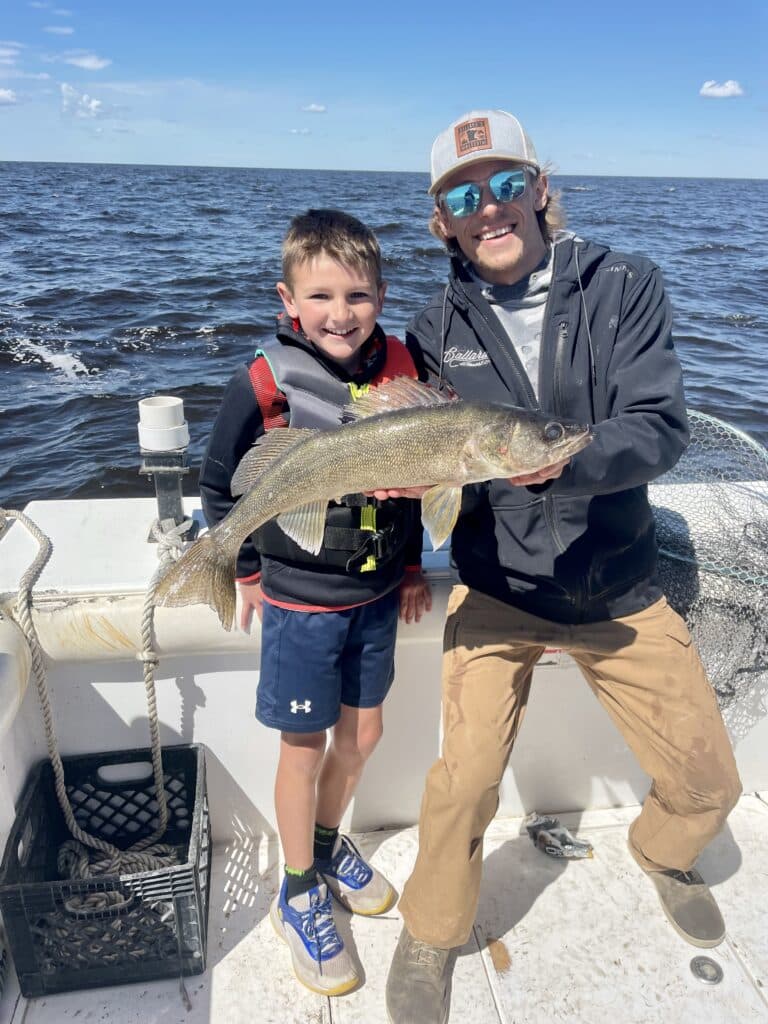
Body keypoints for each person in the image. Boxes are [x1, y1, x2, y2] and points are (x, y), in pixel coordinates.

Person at [378, 110, 742, 1024]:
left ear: (540, 190)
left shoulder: (623, 284)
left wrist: (567, 461)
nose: (488, 208)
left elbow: (660, 426)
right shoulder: (432, 324)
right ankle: (431, 930)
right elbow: (423, 454)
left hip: (616, 580)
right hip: (496, 585)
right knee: (460, 783)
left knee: (711, 784)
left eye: (506, 184)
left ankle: (662, 852)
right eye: (464, 195)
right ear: (442, 220)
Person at [199, 208, 432, 997]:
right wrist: (243, 569)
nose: (341, 313)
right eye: (322, 296)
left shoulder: (405, 364)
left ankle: (329, 845)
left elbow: (416, 478)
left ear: (382, 296)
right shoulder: (265, 378)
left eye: (359, 295)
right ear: (287, 301)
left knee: (363, 734)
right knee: (304, 748)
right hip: (300, 601)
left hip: (376, 593)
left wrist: (409, 569)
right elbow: (218, 481)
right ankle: (298, 888)